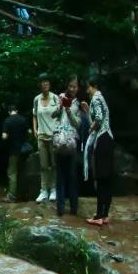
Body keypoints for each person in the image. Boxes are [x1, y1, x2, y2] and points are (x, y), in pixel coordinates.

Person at [84, 79, 115, 225]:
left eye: (88, 88)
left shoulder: (96, 98)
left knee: (101, 178)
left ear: (94, 86)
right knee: (107, 179)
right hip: (108, 138)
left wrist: (91, 128)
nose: (87, 91)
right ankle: (105, 214)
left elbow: (98, 118)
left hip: (102, 140)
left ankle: (99, 217)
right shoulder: (102, 98)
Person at [53, 77, 82, 216]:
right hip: (59, 142)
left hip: (71, 143)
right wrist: (59, 106)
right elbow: (53, 115)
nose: (72, 89)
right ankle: (60, 208)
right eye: (70, 86)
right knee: (60, 176)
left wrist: (69, 111)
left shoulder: (79, 104)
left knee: (72, 176)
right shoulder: (60, 98)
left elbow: (78, 124)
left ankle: (74, 208)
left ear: (78, 88)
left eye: (74, 87)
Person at [32, 74, 59, 202]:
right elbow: (34, 115)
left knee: (53, 164)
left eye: (47, 82)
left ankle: (53, 189)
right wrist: (35, 129)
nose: (45, 84)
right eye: (43, 82)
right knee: (43, 165)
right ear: (40, 85)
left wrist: (58, 130)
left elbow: (61, 115)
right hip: (41, 136)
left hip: (53, 136)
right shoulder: (36, 99)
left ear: (50, 84)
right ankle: (43, 190)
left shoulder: (55, 98)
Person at [1, 104, 30, 203]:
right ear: (16, 110)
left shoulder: (7, 121)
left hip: (14, 151)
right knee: (23, 172)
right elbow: (29, 132)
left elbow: (4, 136)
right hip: (24, 151)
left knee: (12, 173)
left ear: (9, 112)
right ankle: (24, 194)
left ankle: (12, 196)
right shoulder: (23, 120)